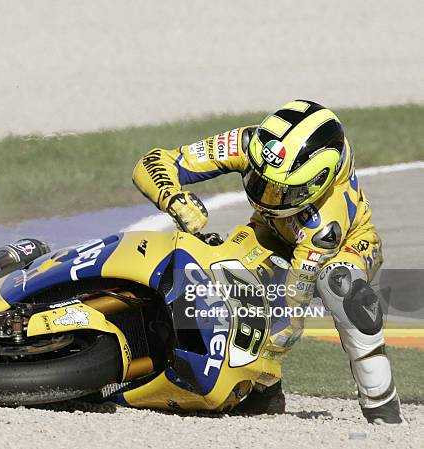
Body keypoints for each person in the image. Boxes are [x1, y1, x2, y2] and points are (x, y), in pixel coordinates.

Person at [131, 100, 403, 424]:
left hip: (349, 246)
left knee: (340, 286)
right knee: (216, 268)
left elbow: (292, 310)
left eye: (280, 192)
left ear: (316, 185)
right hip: (268, 231)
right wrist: (173, 198)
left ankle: (382, 408)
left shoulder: (325, 223)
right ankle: (261, 396)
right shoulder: (252, 144)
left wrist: (263, 363)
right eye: (260, 181)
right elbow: (153, 163)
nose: (265, 196)